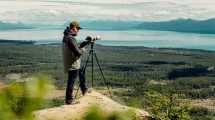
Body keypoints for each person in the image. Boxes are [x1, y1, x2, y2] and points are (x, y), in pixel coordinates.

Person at [62, 21, 90, 104]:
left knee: (81, 72)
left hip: (73, 63)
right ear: (73, 28)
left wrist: (86, 42)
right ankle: (69, 99)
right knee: (71, 81)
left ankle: (84, 89)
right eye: (77, 29)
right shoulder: (70, 38)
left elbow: (75, 47)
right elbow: (77, 52)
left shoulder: (67, 37)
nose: (78, 31)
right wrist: (82, 50)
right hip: (72, 64)